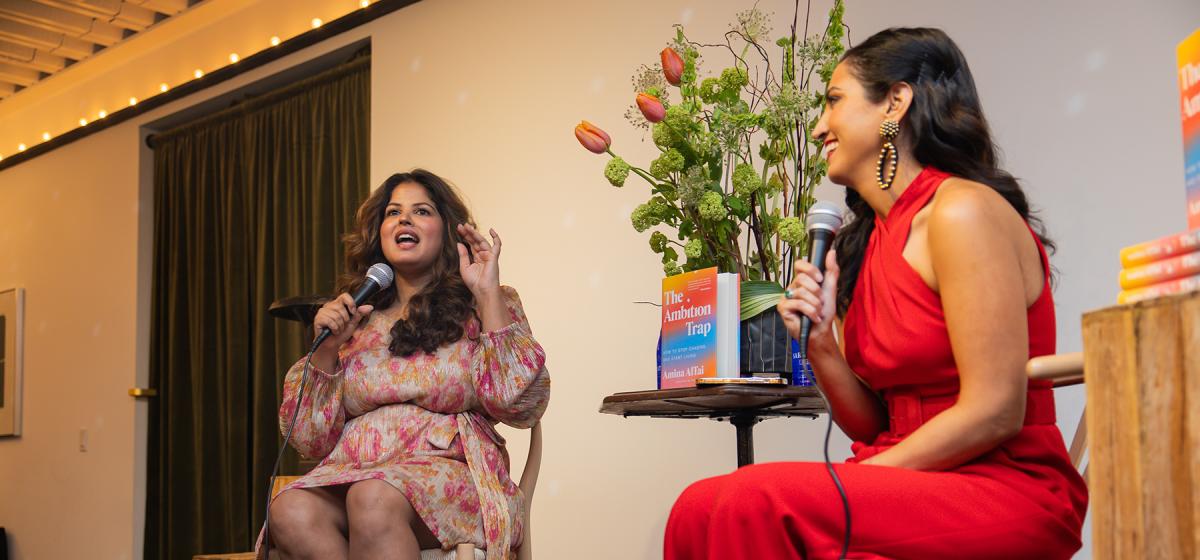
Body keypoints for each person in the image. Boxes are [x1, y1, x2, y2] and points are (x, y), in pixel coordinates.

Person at [664, 28, 1087, 560]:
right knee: (696, 508)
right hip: (909, 471)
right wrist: (819, 345)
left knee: (756, 500)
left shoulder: (962, 212)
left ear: (895, 101)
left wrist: (862, 474)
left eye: (834, 101)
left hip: (1004, 484)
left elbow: (995, 411)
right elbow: (874, 424)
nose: (819, 128)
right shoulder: (863, 245)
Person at [259, 169, 550, 560]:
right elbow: (310, 439)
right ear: (378, 234)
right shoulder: (355, 315)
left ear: (447, 231)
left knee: (373, 497)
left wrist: (486, 293)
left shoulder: (483, 300)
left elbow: (522, 405)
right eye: (393, 213)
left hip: (451, 473)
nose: (404, 220)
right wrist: (327, 348)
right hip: (355, 471)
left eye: (422, 211)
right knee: (289, 509)